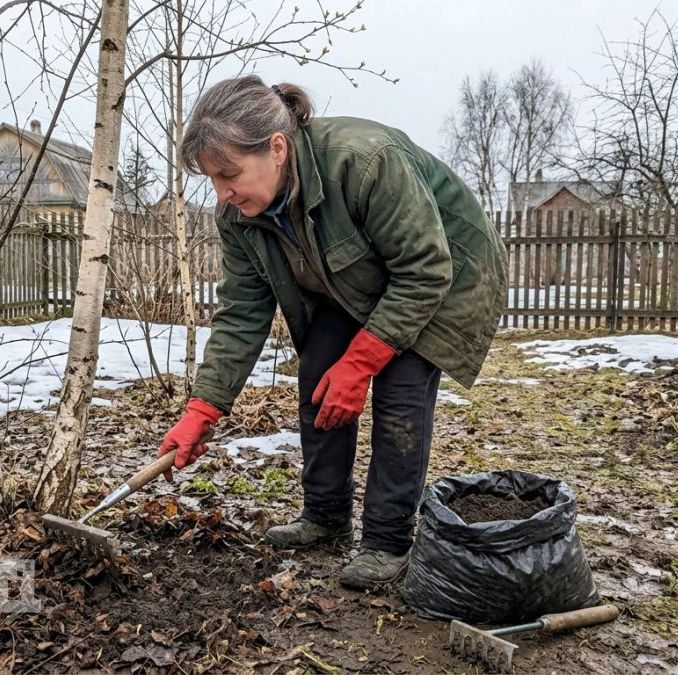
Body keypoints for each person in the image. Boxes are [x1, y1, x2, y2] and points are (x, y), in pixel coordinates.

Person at [157, 74, 507, 590]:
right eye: (212, 179)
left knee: (400, 396)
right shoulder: (239, 217)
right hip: (352, 282)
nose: (222, 192)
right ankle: (324, 516)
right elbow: (241, 314)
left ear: (277, 148)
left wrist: (363, 362)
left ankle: (387, 540)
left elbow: (425, 269)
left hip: (441, 273)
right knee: (320, 375)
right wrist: (202, 410)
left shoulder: (364, 160)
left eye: (228, 173)